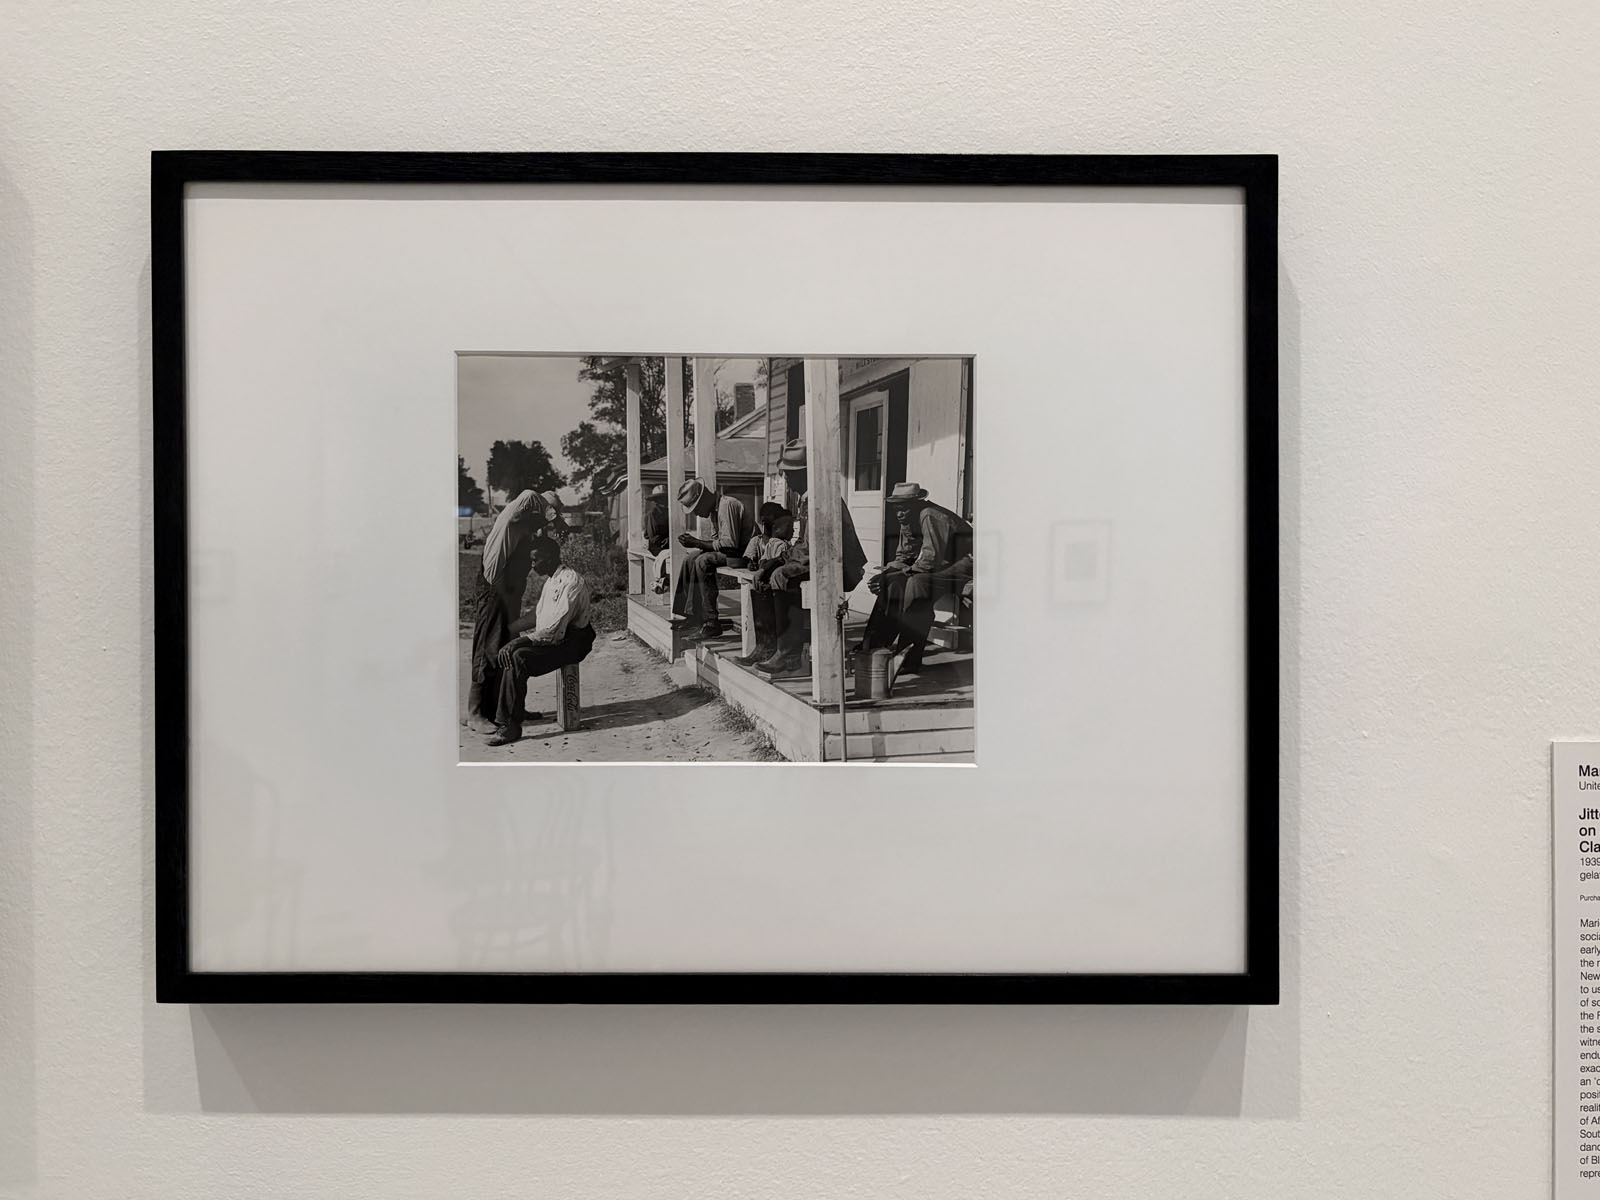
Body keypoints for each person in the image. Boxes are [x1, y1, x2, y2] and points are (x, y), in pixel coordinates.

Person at [750, 439, 867, 676]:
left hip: (840, 565)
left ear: (805, 474)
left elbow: (815, 548)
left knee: (781, 576)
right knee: (762, 577)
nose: (786, 479)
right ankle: (768, 646)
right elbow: (804, 545)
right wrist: (774, 561)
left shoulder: (821, 499)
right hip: (820, 559)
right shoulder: (807, 498)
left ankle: (788, 653)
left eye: (791, 474)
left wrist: (778, 562)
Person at [487, 536, 596, 746]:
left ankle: (510, 726)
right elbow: (538, 617)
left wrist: (517, 642)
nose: (532, 565)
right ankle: (514, 710)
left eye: (535, 560)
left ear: (551, 557)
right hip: (559, 638)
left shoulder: (570, 582)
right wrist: (507, 631)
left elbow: (553, 631)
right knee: (510, 651)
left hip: (574, 642)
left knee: (518, 657)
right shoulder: (552, 580)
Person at [871, 482, 973, 685]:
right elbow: (905, 554)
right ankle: (875, 647)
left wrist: (900, 573)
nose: (899, 513)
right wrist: (888, 573)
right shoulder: (907, 518)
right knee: (892, 584)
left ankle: (908, 657)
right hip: (946, 562)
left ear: (916, 503)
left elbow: (929, 561)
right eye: (896, 508)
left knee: (919, 584)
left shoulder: (928, 515)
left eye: (904, 508)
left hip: (969, 561)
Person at [463, 488, 545, 733]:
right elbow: (492, 571)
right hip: (494, 590)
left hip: (508, 594)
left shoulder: (524, 526)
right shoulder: (510, 523)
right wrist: (501, 599)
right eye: (540, 518)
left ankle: (507, 708)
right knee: (488, 647)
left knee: (508, 647)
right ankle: (476, 713)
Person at [669, 478, 754, 637]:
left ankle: (711, 621)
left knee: (702, 561)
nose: (696, 513)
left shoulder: (726, 505)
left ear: (703, 499)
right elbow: (717, 541)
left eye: (695, 508)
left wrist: (697, 542)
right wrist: (697, 545)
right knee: (690, 558)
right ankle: (692, 615)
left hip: (746, 554)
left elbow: (730, 543)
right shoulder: (715, 510)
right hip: (732, 552)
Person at [734, 505, 795, 666]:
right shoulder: (763, 542)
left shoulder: (780, 544)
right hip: (770, 578)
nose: (793, 530)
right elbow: (758, 560)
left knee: (768, 591)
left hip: (779, 582)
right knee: (760, 592)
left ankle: (768, 648)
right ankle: (764, 646)